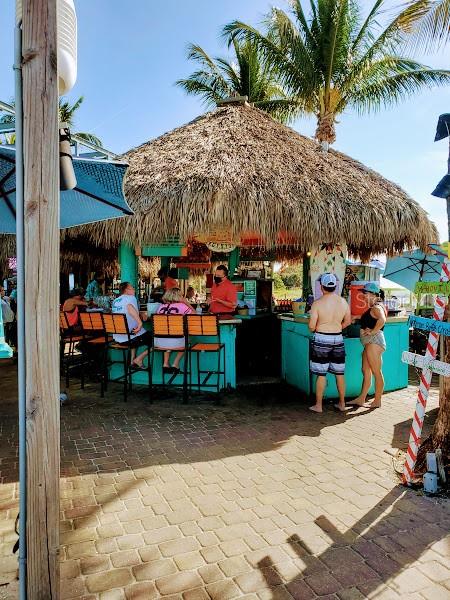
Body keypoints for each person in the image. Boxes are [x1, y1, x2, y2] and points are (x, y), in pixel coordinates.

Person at [308, 273, 351, 413]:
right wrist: (337, 327)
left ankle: (319, 406)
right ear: (335, 287)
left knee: (321, 374)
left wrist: (318, 327)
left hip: (322, 338)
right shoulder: (343, 302)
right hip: (338, 338)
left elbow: (311, 326)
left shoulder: (317, 304)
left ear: (321, 287)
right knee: (340, 373)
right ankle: (342, 403)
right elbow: (348, 321)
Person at [349, 282, 387, 409]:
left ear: (373, 294)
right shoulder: (374, 307)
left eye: (365, 293)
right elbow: (371, 318)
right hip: (370, 343)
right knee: (366, 370)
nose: (363, 296)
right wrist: (357, 317)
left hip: (374, 342)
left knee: (376, 372)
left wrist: (372, 331)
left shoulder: (377, 307)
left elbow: (382, 320)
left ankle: (377, 401)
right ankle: (361, 398)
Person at [112, 282, 151, 369]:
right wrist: (140, 323)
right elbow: (129, 308)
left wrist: (139, 313)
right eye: (132, 288)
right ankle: (139, 359)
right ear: (126, 290)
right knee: (156, 340)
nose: (134, 289)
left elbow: (127, 311)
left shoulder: (115, 301)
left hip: (118, 338)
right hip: (130, 338)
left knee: (135, 332)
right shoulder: (131, 298)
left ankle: (132, 360)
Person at [155, 288, 194, 373]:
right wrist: (186, 303)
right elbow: (195, 315)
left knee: (167, 333)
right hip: (176, 341)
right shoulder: (182, 306)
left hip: (159, 342)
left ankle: (165, 364)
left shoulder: (161, 307)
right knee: (188, 340)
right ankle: (175, 364)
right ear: (178, 296)